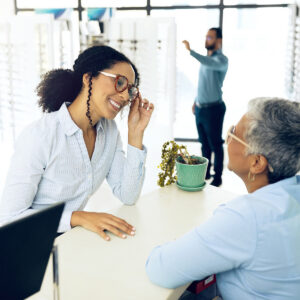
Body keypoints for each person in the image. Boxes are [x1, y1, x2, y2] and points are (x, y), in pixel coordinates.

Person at [146, 98, 300, 299]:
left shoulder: (248, 218)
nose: (227, 138)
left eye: (234, 132)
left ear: (256, 163)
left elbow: (160, 269)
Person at [0, 45, 154, 241]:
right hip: (29, 244)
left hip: (69, 242)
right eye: (120, 82)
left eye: (131, 91)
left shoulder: (110, 132)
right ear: (89, 78)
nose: (125, 96)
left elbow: (128, 194)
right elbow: (9, 219)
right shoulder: (41, 136)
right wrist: (77, 217)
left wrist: (135, 134)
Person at [182, 27, 228, 187]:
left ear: (219, 41)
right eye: (206, 36)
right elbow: (205, 84)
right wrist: (196, 101)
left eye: (210, 37)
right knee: (204, 143)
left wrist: (191, 51)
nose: (206, 39)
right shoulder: (206, 60)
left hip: (214, 109)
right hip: (201, 108)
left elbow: (208, 62)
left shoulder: (221, 60)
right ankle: (205, 172)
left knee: (216, 144)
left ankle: (218, 177)